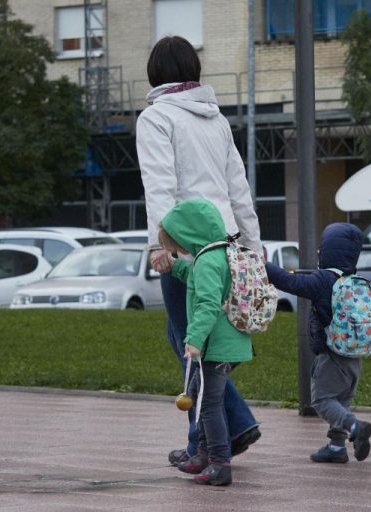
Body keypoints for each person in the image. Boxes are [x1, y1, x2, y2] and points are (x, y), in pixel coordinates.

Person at [136, 36, 262, 466]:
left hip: (186, 245)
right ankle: (228, 429)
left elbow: (160, 184)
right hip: (226, 244)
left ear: (155, 74)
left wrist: (160, 245)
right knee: (196, 338)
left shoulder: (156, 118)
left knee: (191, 344)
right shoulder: (217, 120)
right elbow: (238, 189)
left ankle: (206, 443)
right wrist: (253, 247)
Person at [159, 199, 254, 486]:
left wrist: (194, 340)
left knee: (210, 406)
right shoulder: (217, 254)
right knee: (199, 399)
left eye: (177, 242)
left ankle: (219, 464)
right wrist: (175, 267)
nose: (180, 249)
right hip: (225, 344)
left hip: (215, 347)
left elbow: (208, 304)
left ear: (189, 234)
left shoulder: (207, 261)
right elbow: (196, 278)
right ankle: (202, 454)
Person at [265, 223, 371, 463]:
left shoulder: (324, 279)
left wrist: (263, 266)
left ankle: (355, 427)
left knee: (323, 400)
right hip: (354, 355)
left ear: (327, 251)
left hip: (331, 354)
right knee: (341, 401)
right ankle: (337, 448)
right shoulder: (354, 280)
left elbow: (291, 283)